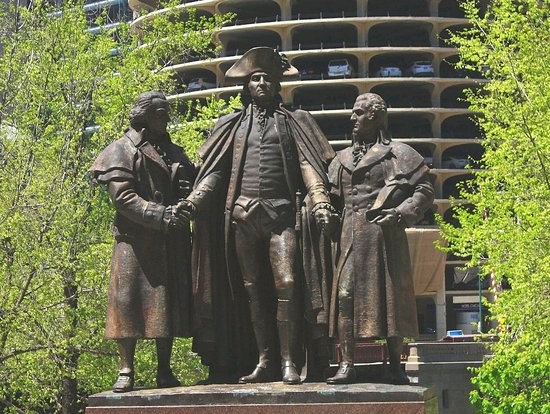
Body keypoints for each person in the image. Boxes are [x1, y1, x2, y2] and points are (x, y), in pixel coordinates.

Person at [183, 47, 336, 384]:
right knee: (252, 291)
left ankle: (288, 361)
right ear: (246, 87)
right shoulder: (231, 127)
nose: (262, 83)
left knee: (288, 283)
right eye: (256, 78)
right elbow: (214, 172)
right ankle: (264, 360)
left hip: (281, 215)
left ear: (277, 84)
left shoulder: (294, 122)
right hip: (242, 218)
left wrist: (320, 198)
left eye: (268, 78)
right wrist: (195, 200)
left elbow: (308, 165)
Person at [89, 91, 196, 392]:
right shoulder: (120, 150)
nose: (167, 117)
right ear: (144, 116)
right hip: (135, 242)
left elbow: (191, 185)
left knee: (164, 303)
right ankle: (126, 368)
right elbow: (122, 198)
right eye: (161, 112)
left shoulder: (174, 151)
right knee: (128, 302)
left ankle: (165, 369)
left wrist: (185, 198)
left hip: (168, 241)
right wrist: (160, 215)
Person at [326, 93, 434, 385]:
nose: (353, 119)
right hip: (348, 236)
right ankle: (346, 363)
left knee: (391, 299)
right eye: (353, 113)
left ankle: (395, 365)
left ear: (375, 117)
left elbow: (424, 190)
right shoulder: (341, 159)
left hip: (383, 236)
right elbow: (331, 198)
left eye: (359, 113)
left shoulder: (400, 153)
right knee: (345, 296)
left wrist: (400, 214)